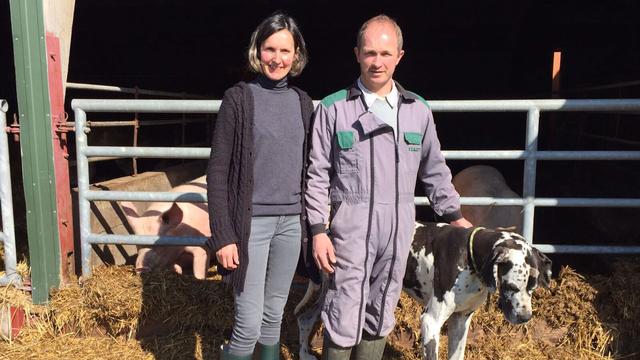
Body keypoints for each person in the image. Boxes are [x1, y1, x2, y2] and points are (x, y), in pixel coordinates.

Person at [305, 14, 473, 360]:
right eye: (369, 53)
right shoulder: (334, 108)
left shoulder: (417, 111)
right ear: (356, 54)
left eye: (385, 53)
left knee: (382, 306)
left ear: (399, 56)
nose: (377, 62)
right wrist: (318, 229)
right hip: (349, 229)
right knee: (343, 307)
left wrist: (456, 217)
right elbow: (317, 174)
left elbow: (435, 171)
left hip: (399, 230)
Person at [206, 12, 313, 360]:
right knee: (248, 324)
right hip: (250, 228)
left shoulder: (303, 103)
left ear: (296, 55)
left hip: (290, 225)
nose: (277, 58)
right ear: (258, 51)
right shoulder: (238, 99)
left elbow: (312, 167)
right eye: (270, 49)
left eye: (285, 50)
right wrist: (223, 234)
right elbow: (218, 171)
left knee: (272, 318)